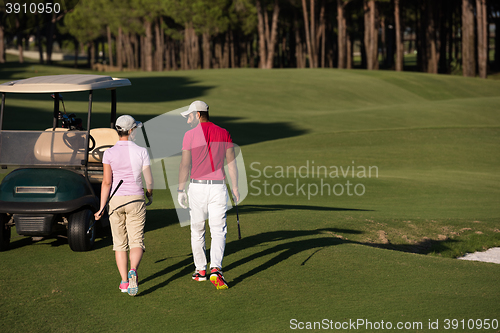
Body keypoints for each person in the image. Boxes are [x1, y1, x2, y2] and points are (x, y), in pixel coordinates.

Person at [178, 100, 239, 290]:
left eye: (189, 116)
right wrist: (235, 188)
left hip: (197, 187)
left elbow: (185, 165)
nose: (188, 121)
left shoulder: (189, 135)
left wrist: (180, 189)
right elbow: (231, 163)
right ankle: (216, 269)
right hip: (218, 187)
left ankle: (200, 271)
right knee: (218, 230)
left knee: (197, 231)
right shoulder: (223, 132)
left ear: (198, 114)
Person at [95, 115, 153, 296]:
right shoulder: (141, 151)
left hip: (116, 201)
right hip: (136, 198)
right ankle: (133, 270)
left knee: (120, 243)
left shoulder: (109, 153)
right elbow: (149, 179)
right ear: (130, 131)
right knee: (137, 241)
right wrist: (149, 195)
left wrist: (101, 206)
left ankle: (124, 282)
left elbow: (106, 182)